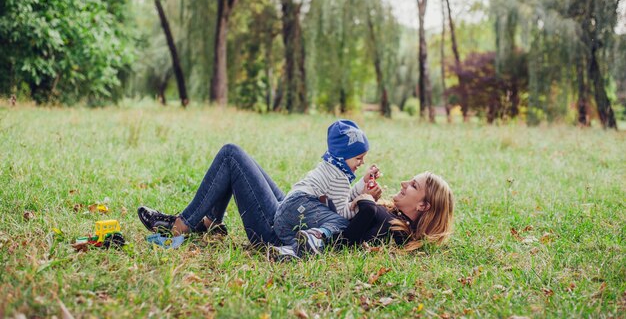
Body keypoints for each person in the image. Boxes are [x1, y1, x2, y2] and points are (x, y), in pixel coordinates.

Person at [137, 145, 454, 256]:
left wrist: (365, 200)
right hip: (297, 217)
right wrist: (359, 196)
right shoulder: (394, 220)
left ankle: (181, 226)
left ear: (424, 206)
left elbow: (349, 234)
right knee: (241, 162)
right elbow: (347, 220)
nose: (403, 183)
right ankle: (209, 223)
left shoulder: (396, 229)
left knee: (231, 155)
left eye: (412, 185)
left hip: (280, 234)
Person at [272, 119, 382, 256]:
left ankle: (290, 251)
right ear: (343, 157)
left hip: (285, 215)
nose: (362, 163)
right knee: (341, 223)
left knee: (303, 244)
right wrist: (365, 201)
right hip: (301, 203)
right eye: (359, 158)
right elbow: (341, 212)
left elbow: (342, 198)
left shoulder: (331, 167)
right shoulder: (338, 177)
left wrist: (362, 183)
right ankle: (317, 235)